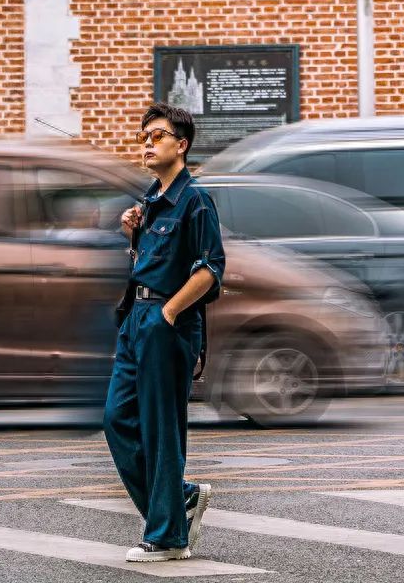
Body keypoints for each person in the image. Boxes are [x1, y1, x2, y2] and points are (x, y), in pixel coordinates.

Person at [103, 102, 225, 563]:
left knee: (160, 430)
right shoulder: (151, 201)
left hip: (164, 324)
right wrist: (131, 232)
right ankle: (180, 498)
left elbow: (211, 269)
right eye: (144, 138)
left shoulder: (195, 201)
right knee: (117, 420)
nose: (147, 145)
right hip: (135, 321)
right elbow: (150, 263)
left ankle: (168, 537)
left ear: (181, 144)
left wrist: (170, 313)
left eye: (157, 136)